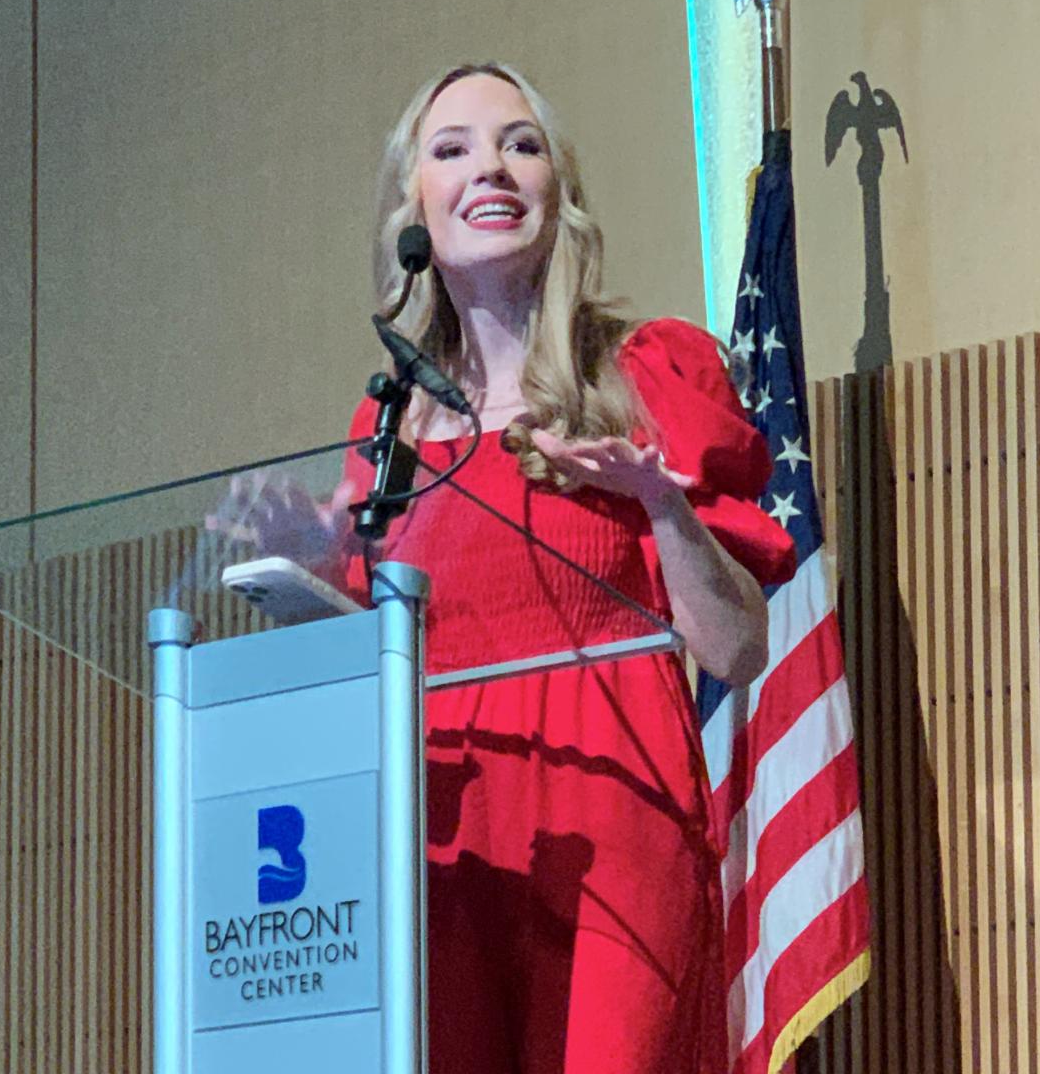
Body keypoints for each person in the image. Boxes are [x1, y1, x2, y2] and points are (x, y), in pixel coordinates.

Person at [227, 62, 796, 1073]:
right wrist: (311, 561)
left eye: (519, 143)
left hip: (617, 831)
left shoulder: (645, 373)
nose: (490, 166)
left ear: (557, 190)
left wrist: (660, 503)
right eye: (453, 150)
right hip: (444, 840)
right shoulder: (388, 430)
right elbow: (364, 670)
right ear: (415, 210)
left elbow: (737, 648)